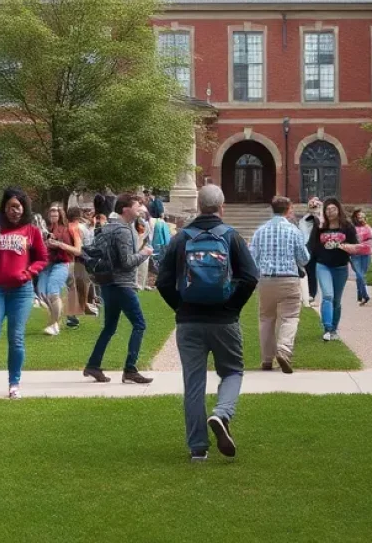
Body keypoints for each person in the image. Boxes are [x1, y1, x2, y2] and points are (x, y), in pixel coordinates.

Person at [157, 184, 259, 461]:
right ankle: (222, 413)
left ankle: (197, 449)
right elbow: (250, 277)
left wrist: (180, 306)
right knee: (233, 372)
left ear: (199, 206)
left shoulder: (181, 239)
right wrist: (232, 306)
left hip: (189, 321)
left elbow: (162, 281)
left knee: (193, 384)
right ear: (221, 206)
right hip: (224, 320)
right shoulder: (231, 236)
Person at [0, 187, 49, 398]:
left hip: (21, 292)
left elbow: (42, 258)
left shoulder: (31, 231)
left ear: (24, 208)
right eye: (10, 207)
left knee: (16, 338)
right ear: (4, 208)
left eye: (18, 207)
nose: (14, 211)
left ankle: (14, 384)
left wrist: (29, 273)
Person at [83, 193, 154, 385]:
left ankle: (93, 365)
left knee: (109, 327)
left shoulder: (107, 228)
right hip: (122, 284)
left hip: (107, 283)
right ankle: (130, 369)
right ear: (125, 209)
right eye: (137, 205)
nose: (141, 208)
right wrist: (144, 253)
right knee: (139, 324)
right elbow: (126, 262)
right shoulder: (123, 230)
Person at [249, 196, 309, 373]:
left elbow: (253, 258)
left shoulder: (260, 231)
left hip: (266, 279)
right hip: (289, 278)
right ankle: (284, 349)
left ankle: (267, 359)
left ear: (271, 208)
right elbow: (304, 259)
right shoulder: (294, 231)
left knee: (266, 318)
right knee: (290, 317)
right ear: (289, 209)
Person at [308, 199, 358, 341]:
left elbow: (355, 245)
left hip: (341, 267)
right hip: (323, 265)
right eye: (327, 209)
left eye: (333, 209)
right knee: (328, 296)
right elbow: (313, 244)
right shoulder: (320, 226)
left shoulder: (347, 226)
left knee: (336, 300)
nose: (330, 211)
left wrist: (344, 246)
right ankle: (327, 328)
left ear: (338, 210)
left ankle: (334, 329)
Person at [40, 203, 82, 335]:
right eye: (51, 212)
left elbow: (77, 251)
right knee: (43, 294)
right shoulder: (47, 229)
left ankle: (55, 324)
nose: (53, 215)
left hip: (63, 263)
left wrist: (59, 244)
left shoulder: (70, 229)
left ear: (60, 214)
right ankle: (60, 319)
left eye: (55, 212)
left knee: (54, 293)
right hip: (47, 265)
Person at [65, 204, 94, 328]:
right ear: (79, 215)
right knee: (79, 287)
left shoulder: (66, 227)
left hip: (69, 259)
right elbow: (85, 244)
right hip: (79, 259)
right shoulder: (79, 227)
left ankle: (79, 311)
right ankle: (76, 313)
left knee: (74, 288)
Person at [298, 197, 322, 306]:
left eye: (315, 206)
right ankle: (305, 294)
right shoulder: (304, 220)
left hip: (315, 249)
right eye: (312, 206)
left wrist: (318, 214)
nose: (313, 208)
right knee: (305, 272)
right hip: (305, 247)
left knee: (312, 273)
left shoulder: (319, 220)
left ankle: (311, 294)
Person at [350, 208, 372, 306]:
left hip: (366, 253)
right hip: (355, 254)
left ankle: (359, 295)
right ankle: (365, 295)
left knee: (361, 276)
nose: (361, 217)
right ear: (355, 217)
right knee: (360, 275)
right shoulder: (352, 227)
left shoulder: (368, 227)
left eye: (362, 215)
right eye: (359, 216)